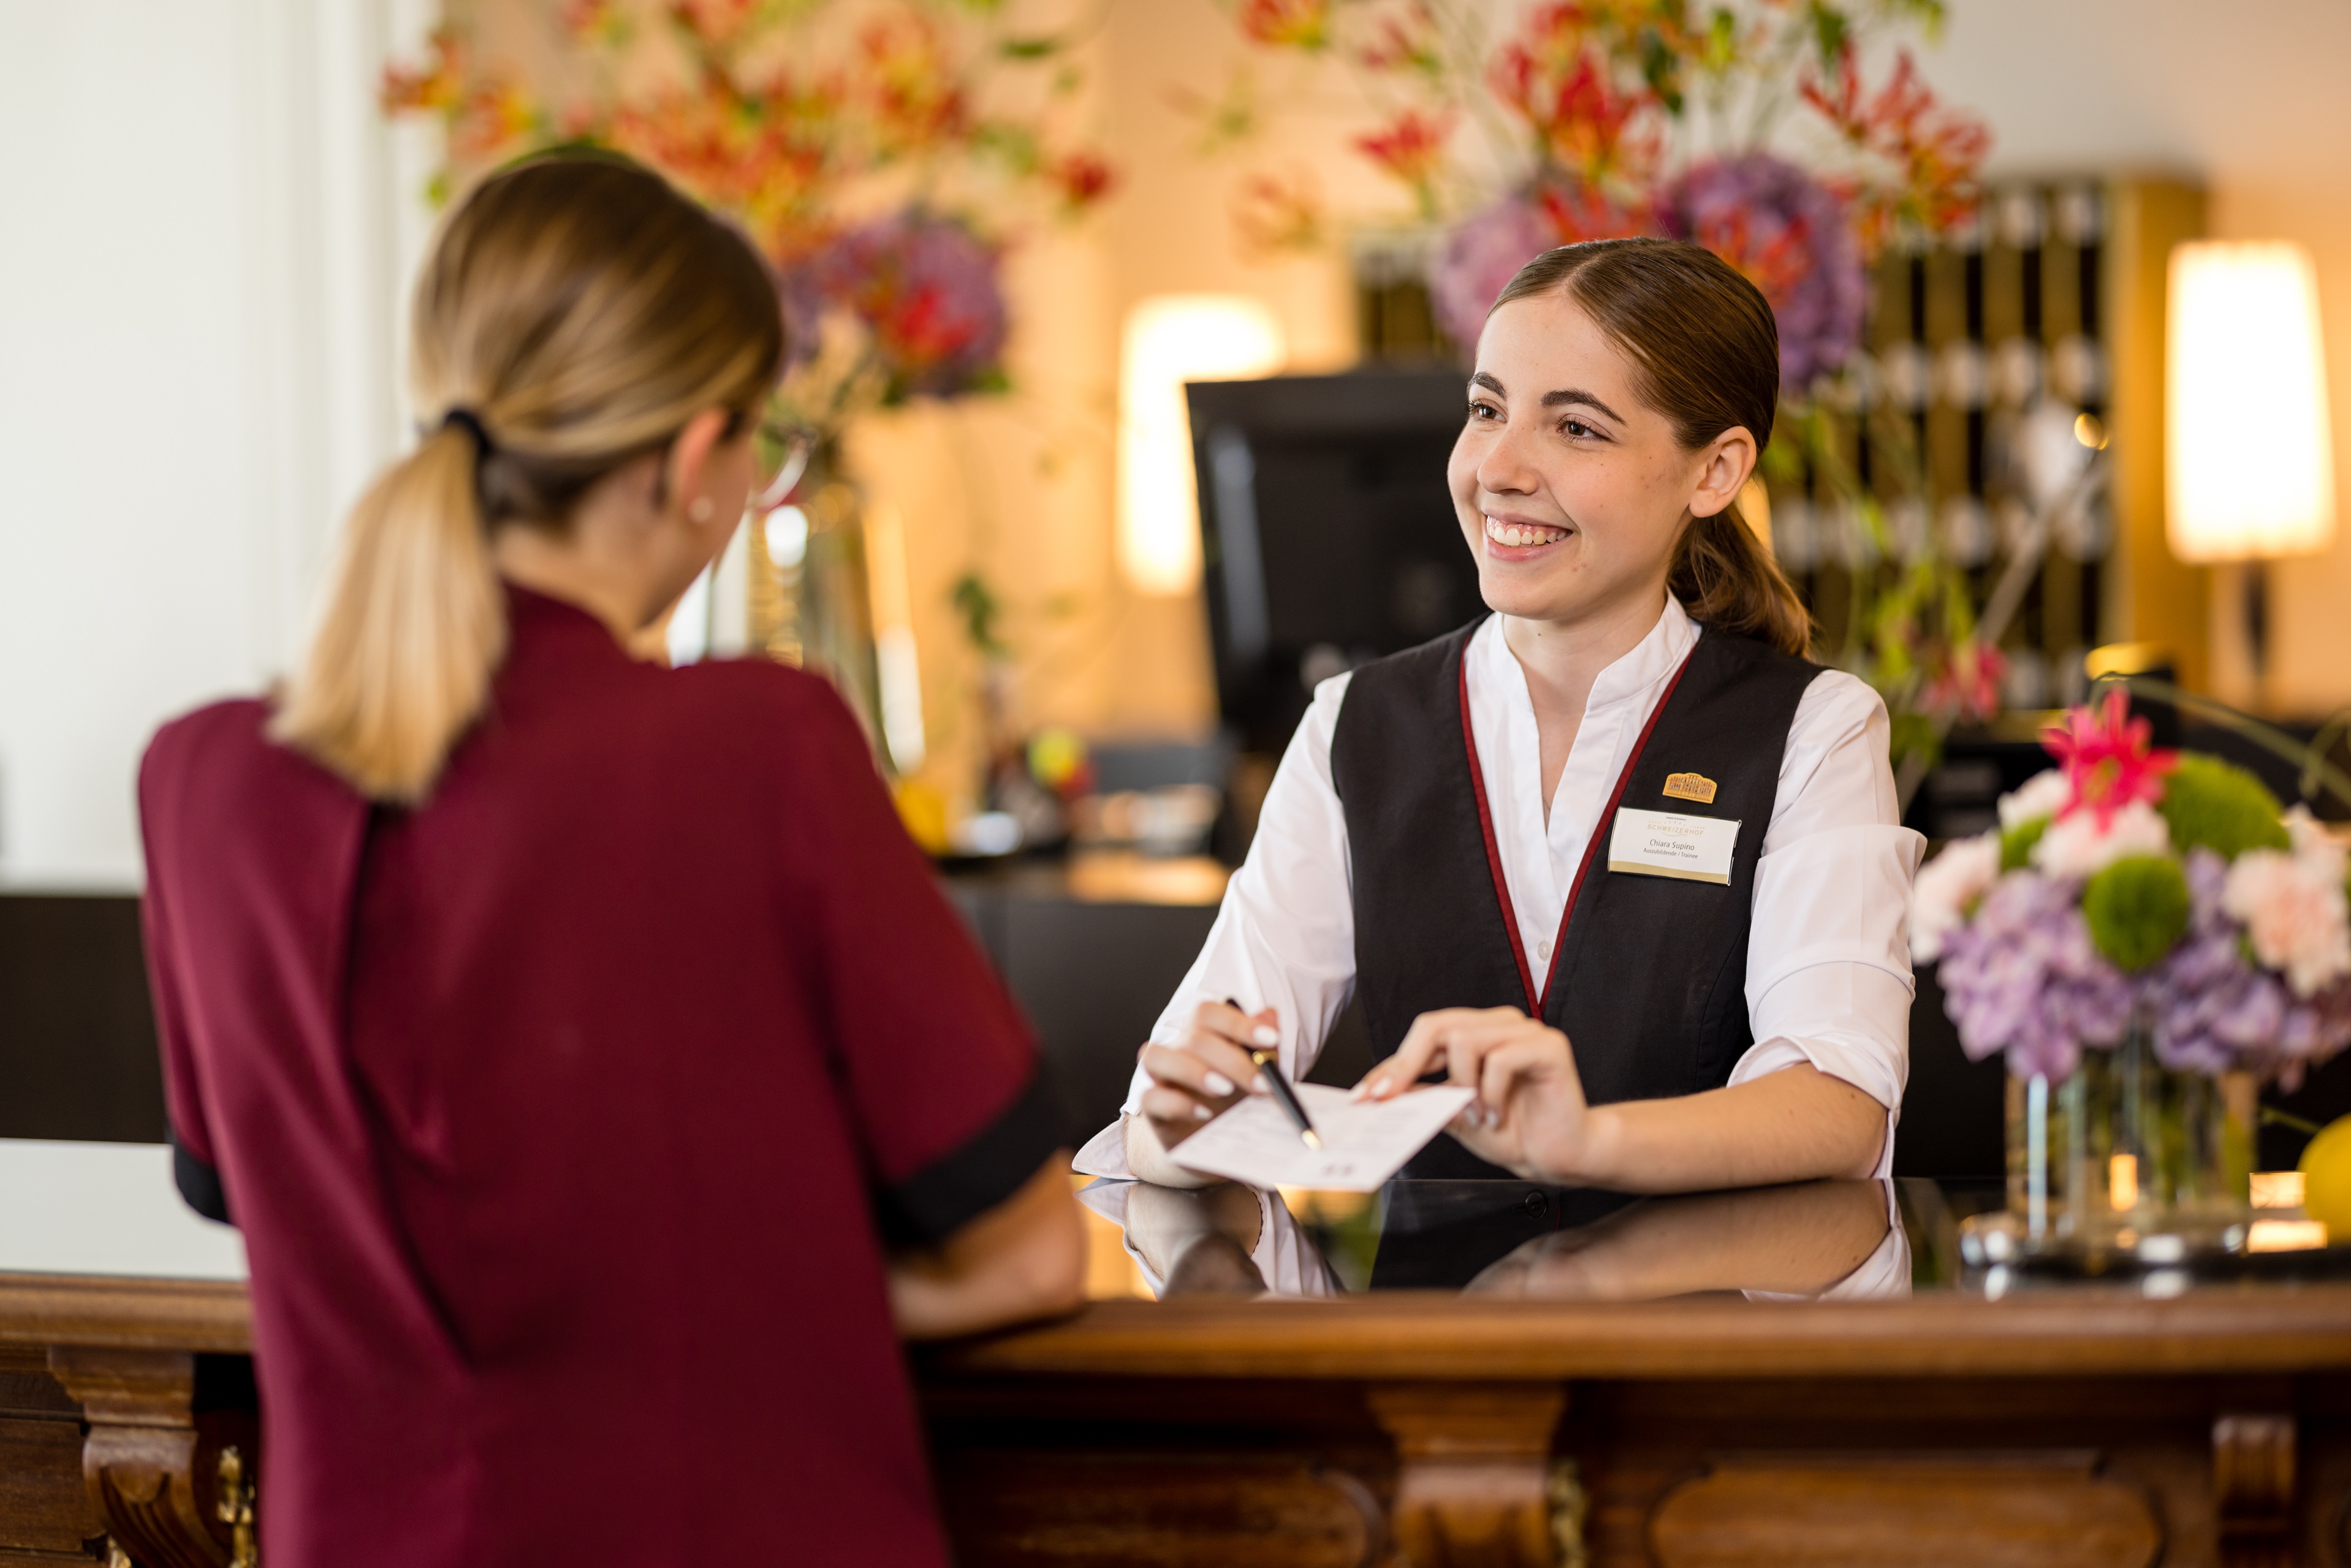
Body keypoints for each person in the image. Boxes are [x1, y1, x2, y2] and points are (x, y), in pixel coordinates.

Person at [138, 153, 1084, 1568]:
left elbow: (260, 1214)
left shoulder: (199, 782)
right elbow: (1027, 1253)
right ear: (695, 461)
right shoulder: (757, 744)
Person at [1076, 237, 1924, 1194]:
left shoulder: (1816, 730)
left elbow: (1838, 1106)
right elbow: (1165, 1114)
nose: (1500, 468)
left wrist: (1585, 1144)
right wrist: (1182, 1124)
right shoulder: (1353, 727)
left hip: (1709, 1288)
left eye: (1577, 429)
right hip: (1439, 1296)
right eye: (1486, 411)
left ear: (1716, 472)